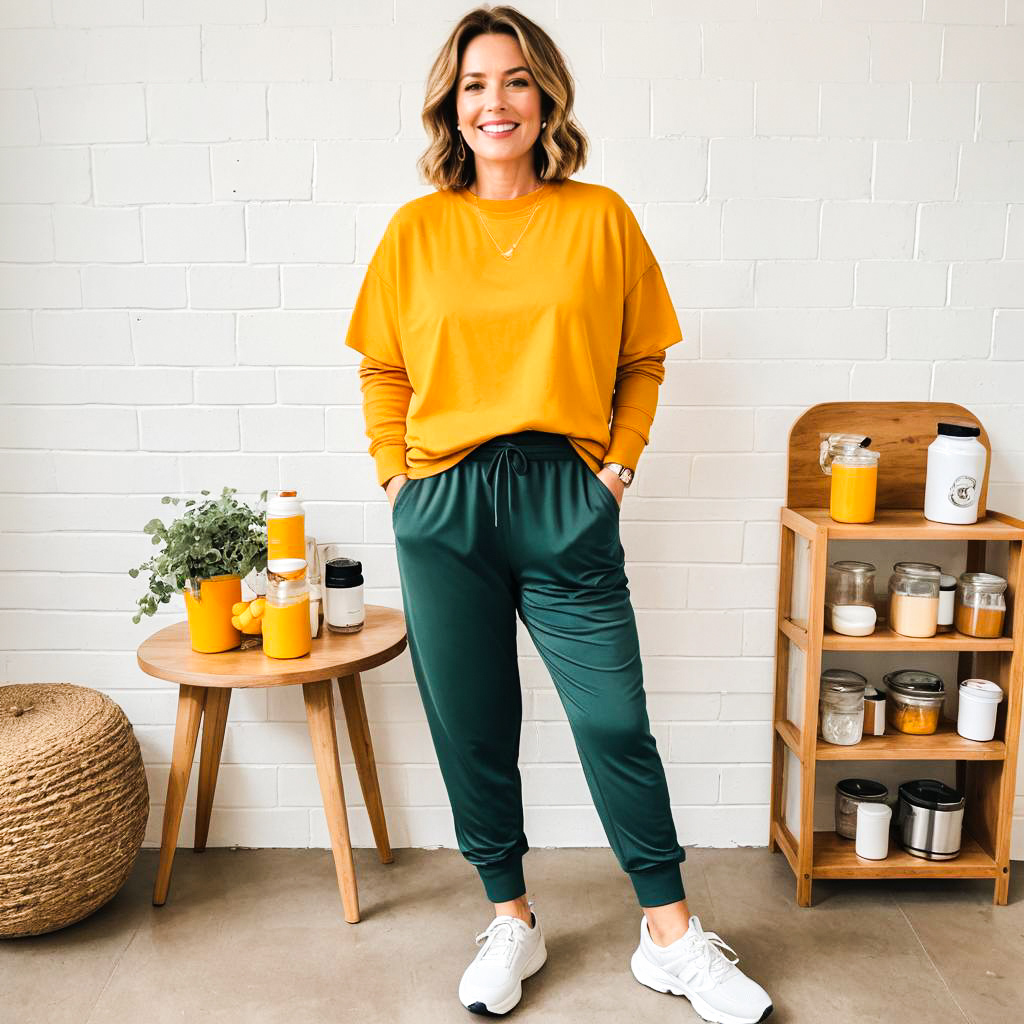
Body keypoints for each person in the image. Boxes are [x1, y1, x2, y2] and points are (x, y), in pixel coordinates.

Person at [345, 6, 773, 1023]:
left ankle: (670, 937)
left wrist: (614, 473)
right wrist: (396, 483)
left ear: (546, 101)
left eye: (516, 81)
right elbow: (382, 368)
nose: (495, 102)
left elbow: (641, 357)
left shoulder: (601, 218)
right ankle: (512, 918)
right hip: (443, 502)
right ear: (451, 105)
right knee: (473, 728)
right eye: (475, 84)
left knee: (613, 719)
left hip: (564, 497)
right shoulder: (417, 229)